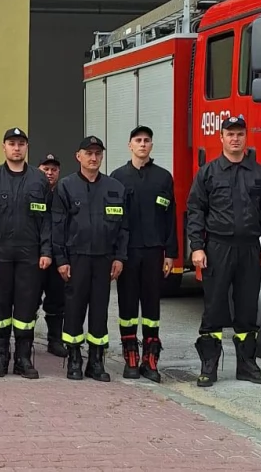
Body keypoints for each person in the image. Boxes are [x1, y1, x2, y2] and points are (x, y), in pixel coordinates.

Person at [185, 114, 261, 387]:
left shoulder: (259, 173)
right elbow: (195, 210)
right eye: (230, 134)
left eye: (239, 134)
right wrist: (197, 247)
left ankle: (247, 366)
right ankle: (209, 368)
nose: (235, 139)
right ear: (221, 137)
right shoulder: (208, 172)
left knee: (247, 309)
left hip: (249, 248)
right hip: (217, 247)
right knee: (213, 309)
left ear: (245, 137)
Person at [0, 127, 52, 378]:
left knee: (26, 307)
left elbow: (47, 219)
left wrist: (46, 250)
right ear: (4, 147)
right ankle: (0, 356)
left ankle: (23, 358)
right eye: (12, 143)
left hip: (30, 254)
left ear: (26, 147)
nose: (16, 148)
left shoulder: (39, 179)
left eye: (21, 143)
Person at [51, 135, 128, 382]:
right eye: (89, 153)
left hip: (104, 259)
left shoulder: (115, 187)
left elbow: (123, 228)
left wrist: (119, 257)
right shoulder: (66, 186)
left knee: (99, 310)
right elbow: (57, 226)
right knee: (73, 310)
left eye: (97, 153)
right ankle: (74, 359)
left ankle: (96, 361)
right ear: (79, 156)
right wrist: (61, 259)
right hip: (76, 258)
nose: (93, 158)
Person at [109, 125, 177, 382]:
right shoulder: (117, 177)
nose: (142, 144)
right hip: (127, 253)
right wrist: (114, 254)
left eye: (147, 140)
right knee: (127, 304)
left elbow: (170, 217)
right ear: (130, 146)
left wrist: (170, 253)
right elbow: (112, 220)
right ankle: (130, 355)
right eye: (138, 140)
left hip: (153, 251)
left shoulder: (163, 177)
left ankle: (151, 358)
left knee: (151, 305)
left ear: (151, 145)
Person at [36, 153, 66, 357]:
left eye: (53, 169)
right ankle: (25, 341)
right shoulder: (31, 191)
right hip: (34, 256)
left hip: (58, 256)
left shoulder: (65, 193)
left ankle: (55, 340)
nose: (49, 172)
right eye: (46, 169)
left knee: (57, 300)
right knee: (29, 300)